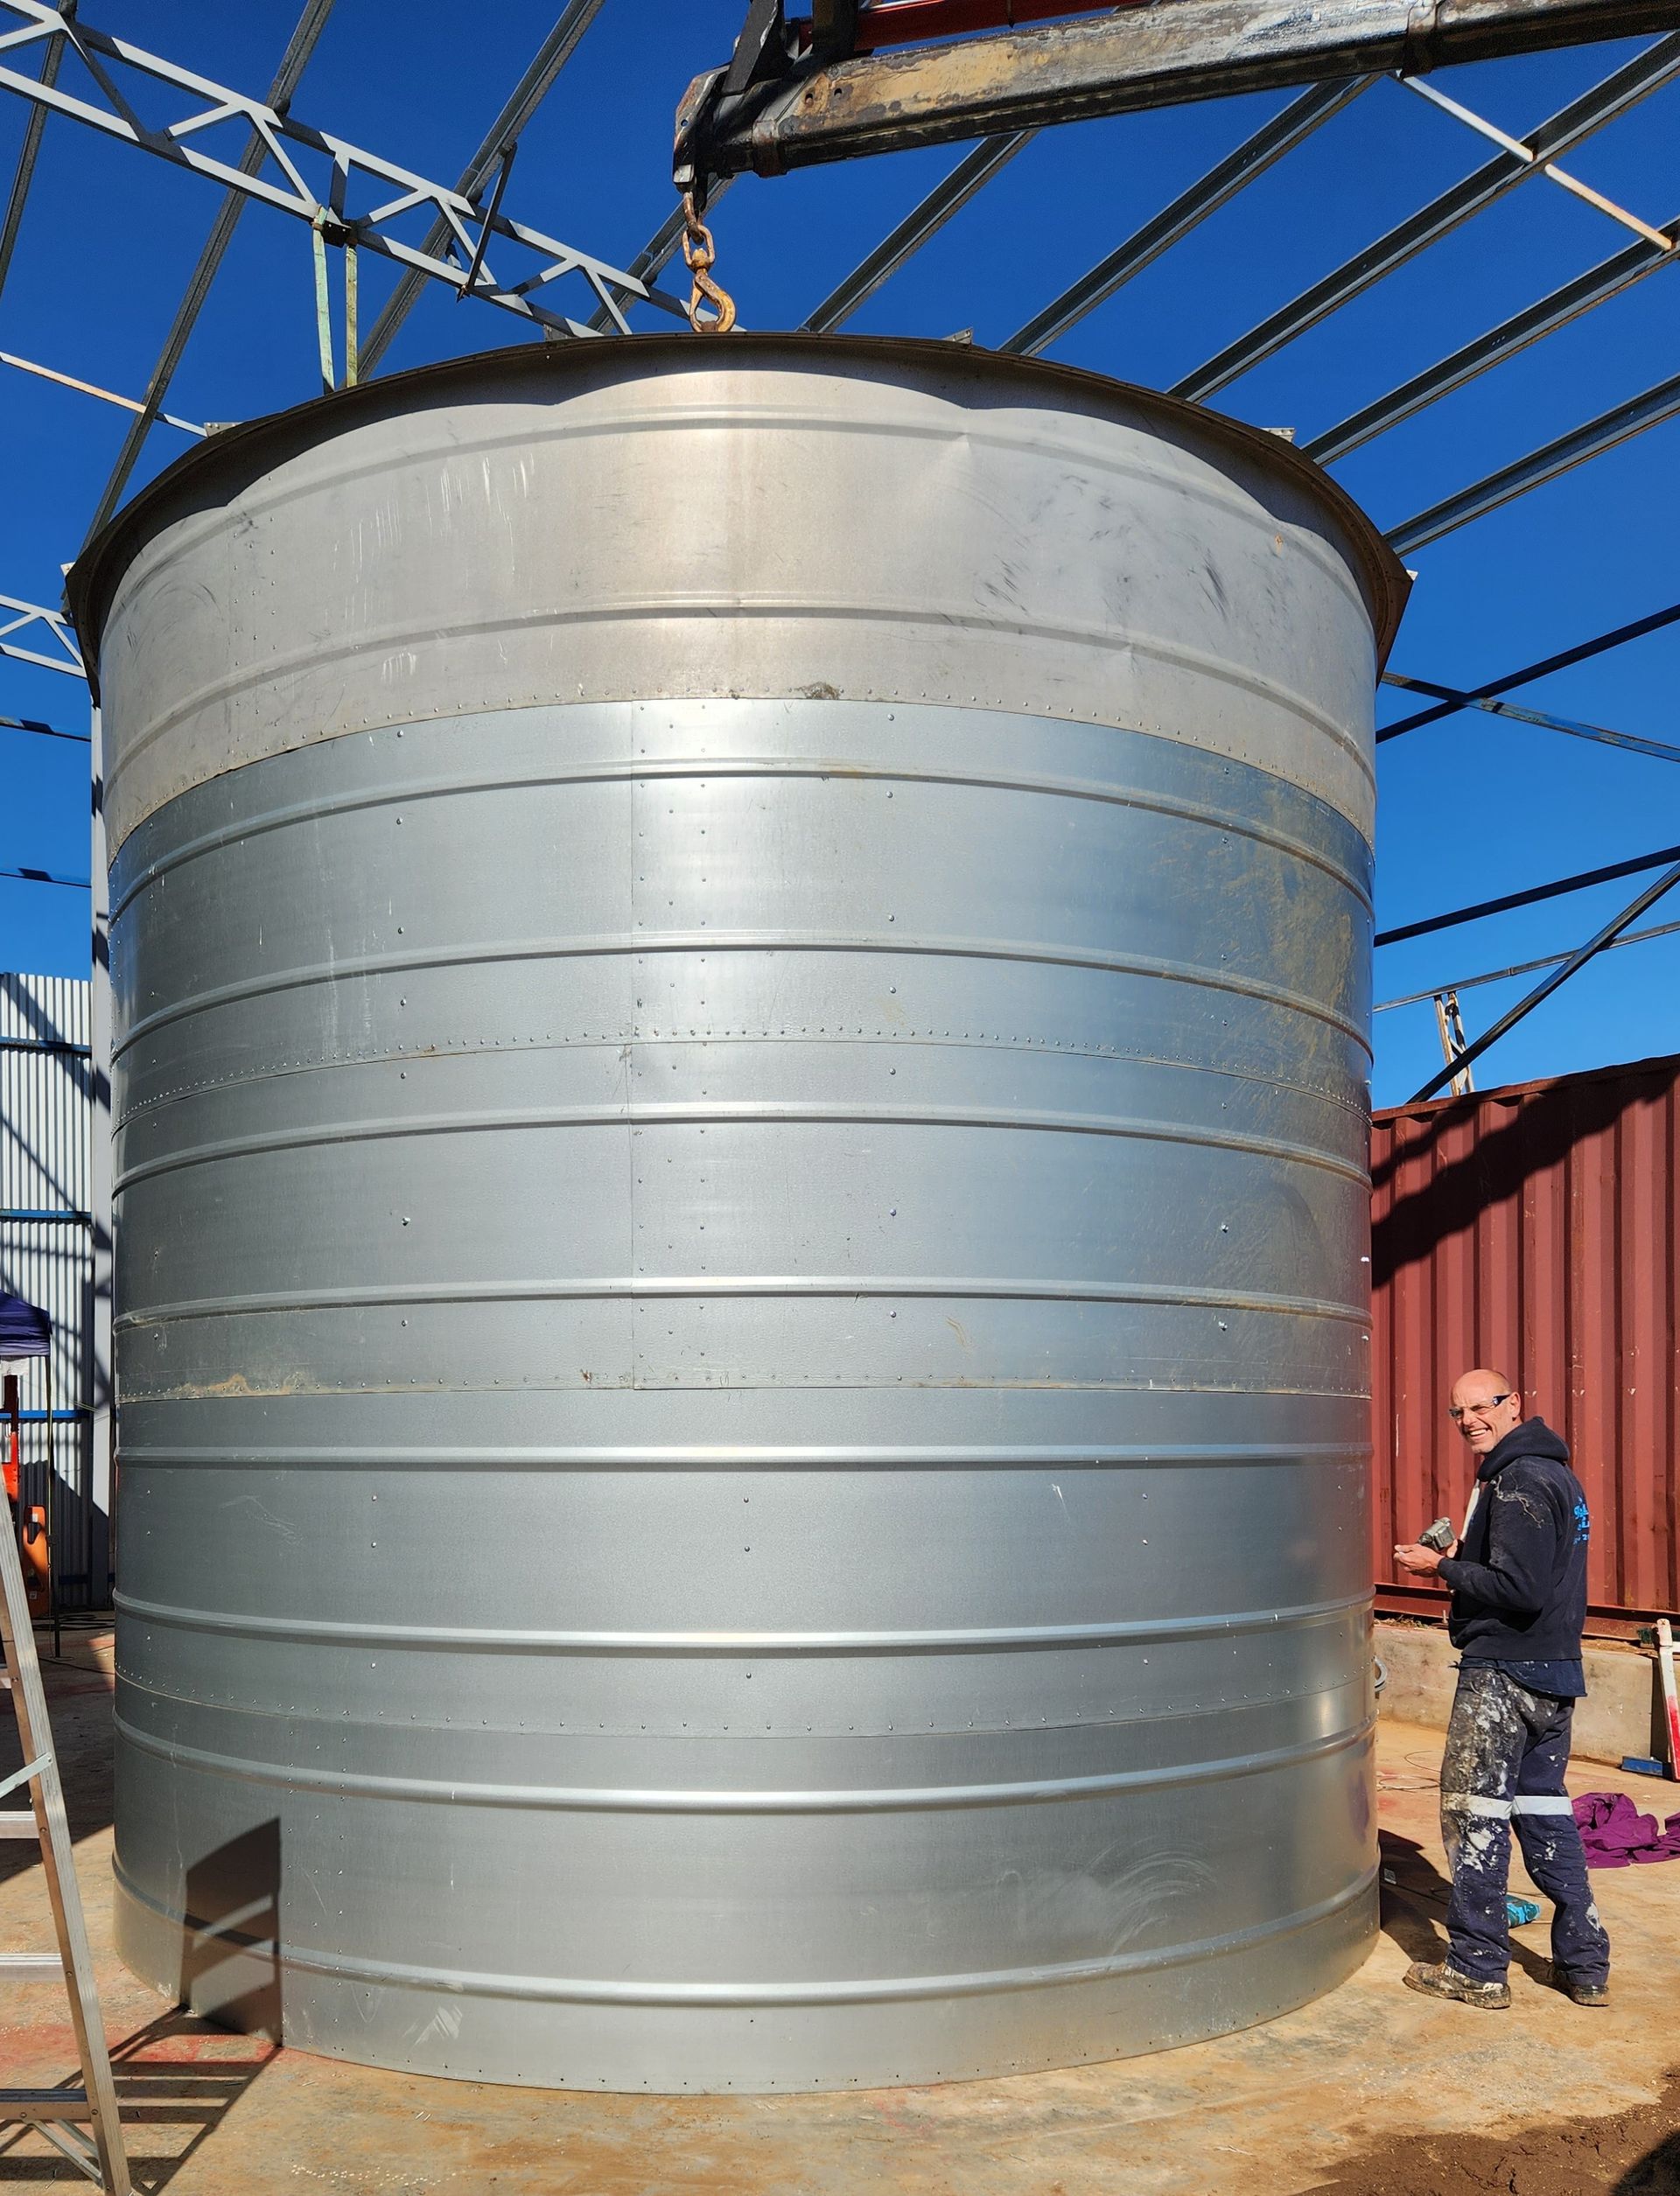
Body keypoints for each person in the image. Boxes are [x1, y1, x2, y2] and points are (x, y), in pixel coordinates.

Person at [1392, 1369, 1610, 2010]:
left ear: (1513, 1404)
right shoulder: (1558, 1476)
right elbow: (1532, 1572)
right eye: (1456, 1412)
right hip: (1556, 1672)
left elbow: (1521, 1590)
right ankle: (1584, 1965)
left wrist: (1443, 1567)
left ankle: (1477, 1968)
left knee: (1475, 1814)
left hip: (1505, 1673)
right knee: (1545, 1814)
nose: (1468, 1421)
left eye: (1480, 1407)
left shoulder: (1516, 1480)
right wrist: (1468, 1556)